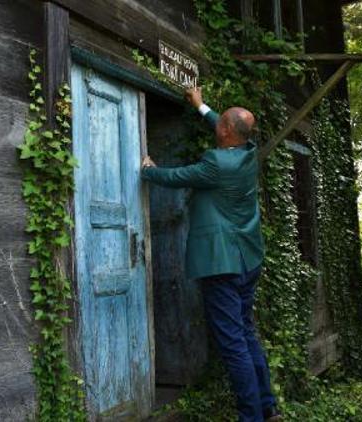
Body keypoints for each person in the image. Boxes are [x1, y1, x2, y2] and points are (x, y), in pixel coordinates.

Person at [141, 87, 281, 422]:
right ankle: (268, 407)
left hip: (222, 263)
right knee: (246, 333)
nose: (220, 124)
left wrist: (148, 170)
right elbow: (225, 123)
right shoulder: (247, 151)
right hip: (247, 259)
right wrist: (202, 106)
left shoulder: (216, 163)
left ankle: (252, 417)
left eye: (222, 122)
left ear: (226, 133)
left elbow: (177, 176)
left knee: (233, 343)